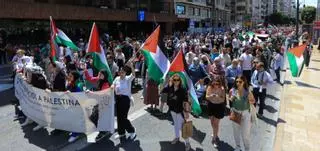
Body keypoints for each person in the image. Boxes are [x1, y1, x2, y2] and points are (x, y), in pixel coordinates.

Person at [162, 74, 191, 151]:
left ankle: (187, 143)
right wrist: (166, 81)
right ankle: (177, 137)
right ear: (172, 80)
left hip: (180, 110)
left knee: (182, 126)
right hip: (172, 109)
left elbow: (186, 101)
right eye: (174, 80)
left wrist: (187, 112)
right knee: (175, 124)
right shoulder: (170, 87)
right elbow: (162, 90)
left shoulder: (182, 89)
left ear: (180, 80)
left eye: (177, 80)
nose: (176, 81)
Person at [83, 64, 111, 141]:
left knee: (96, 117)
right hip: (98, 103)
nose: (99, 75)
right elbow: (90, 78)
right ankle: (103, 129)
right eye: (99, 73)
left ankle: (103, 131)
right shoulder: (98, 80)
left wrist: (90, 93)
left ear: (104, 76)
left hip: (104, 104)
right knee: (94, 117)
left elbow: (101, 94)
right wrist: (85, 70)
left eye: (101, 74)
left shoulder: (106, 84)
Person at [111, 61, 136, 143]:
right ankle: (121, 133)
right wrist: (111, 87)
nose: (121, 73)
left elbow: (133, 75)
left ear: (125, 73)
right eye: (120, 72)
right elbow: (113, 86)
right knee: (119, 117)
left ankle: (132, 131)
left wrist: (131, 66)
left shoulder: (128, 79)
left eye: (123, 72)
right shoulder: (116, 79)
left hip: (125, 99)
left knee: (123, 118)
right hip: (118, 99)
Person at [229, 75, 255, 151]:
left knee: (245, 134)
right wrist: (231, 99)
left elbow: (253, 101)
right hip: (236, 112)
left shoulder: (248, 91)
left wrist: (250, 100)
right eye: (237, 81)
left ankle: (247, 148)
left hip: (245, 113)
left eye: (240, 81)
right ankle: (238, 146)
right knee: (236, 132)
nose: (238, 83)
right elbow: (230, 101)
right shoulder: (232, 90)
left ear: (244, 82)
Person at [205, 78, 226, 148]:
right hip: (211, 106)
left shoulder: (222, 89)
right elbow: (206, 97)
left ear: (219, 83)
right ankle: (215, 133)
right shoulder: (209, 87)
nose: (216, 85)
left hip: (219, 107)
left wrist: (218, 97)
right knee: (212, 122)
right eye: (214, 83)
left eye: (217, 84)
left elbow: (223, 99)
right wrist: (211, 96)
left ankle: (214, 139)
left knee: (215, 124)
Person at [67, 71, 84, 143]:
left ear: (75, 78)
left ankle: (75, 134)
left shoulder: (78, 85)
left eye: (71, 76)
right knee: (72, 119)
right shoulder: (70, 84)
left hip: (77, 107)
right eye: (69, 75)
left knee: (75, 120)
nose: (69, 77)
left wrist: (70, 94)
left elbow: (80, 97)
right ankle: (75, 131)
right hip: (71, 105)